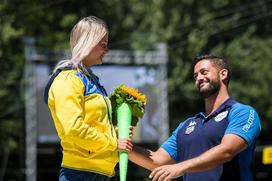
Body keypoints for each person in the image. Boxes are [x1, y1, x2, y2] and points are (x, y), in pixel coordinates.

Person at [129, 55, 261, 181]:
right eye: (195, 76)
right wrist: (124, 147)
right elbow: (158, 161)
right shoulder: (187, 125)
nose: (199, 78)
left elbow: (227, 151)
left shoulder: (242, 112)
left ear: (223, 74)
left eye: (204, 72)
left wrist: (180, 167)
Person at [44, 16, 133, 181]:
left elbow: (95, 125)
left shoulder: (89, 80)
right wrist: (114, 143)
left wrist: (117, 132)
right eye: (103, 45)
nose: (106, 51)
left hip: (103, 173)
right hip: (80, 173)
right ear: (88, 42)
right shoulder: (68, 79)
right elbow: (73, 129)